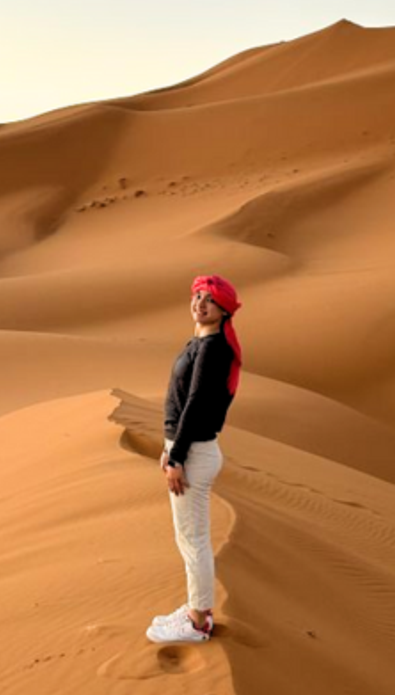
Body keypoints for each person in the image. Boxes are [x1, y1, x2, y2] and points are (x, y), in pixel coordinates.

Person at [146, 275, 243, 644]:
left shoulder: (213, 349)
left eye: (210, 300)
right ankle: (195, 608)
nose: (200, 303)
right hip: (187, 449)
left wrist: (177, 456)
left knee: (194, 541)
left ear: (223, 311)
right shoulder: (202, 342)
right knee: (189, 539)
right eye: (198, 296)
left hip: (194, 454)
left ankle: (198, 621)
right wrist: (170, 447)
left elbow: (196, 404)